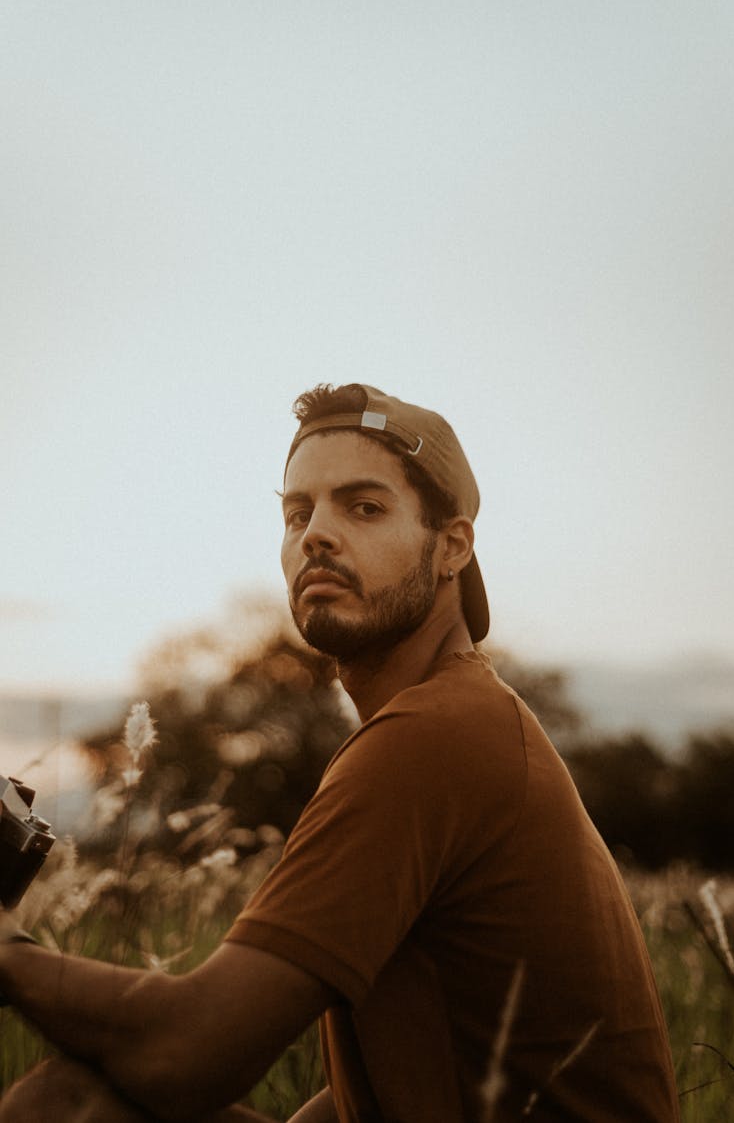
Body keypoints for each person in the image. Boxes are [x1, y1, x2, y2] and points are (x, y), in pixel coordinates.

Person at [0, 384, 679, 1122]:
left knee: (61, 1111)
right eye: (298, 513)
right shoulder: (458, 717)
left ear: (452, 546)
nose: (316, 534)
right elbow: (396, 1074)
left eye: (364, 507)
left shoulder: (435, 738)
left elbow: (188, 1053)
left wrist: (8, 949)